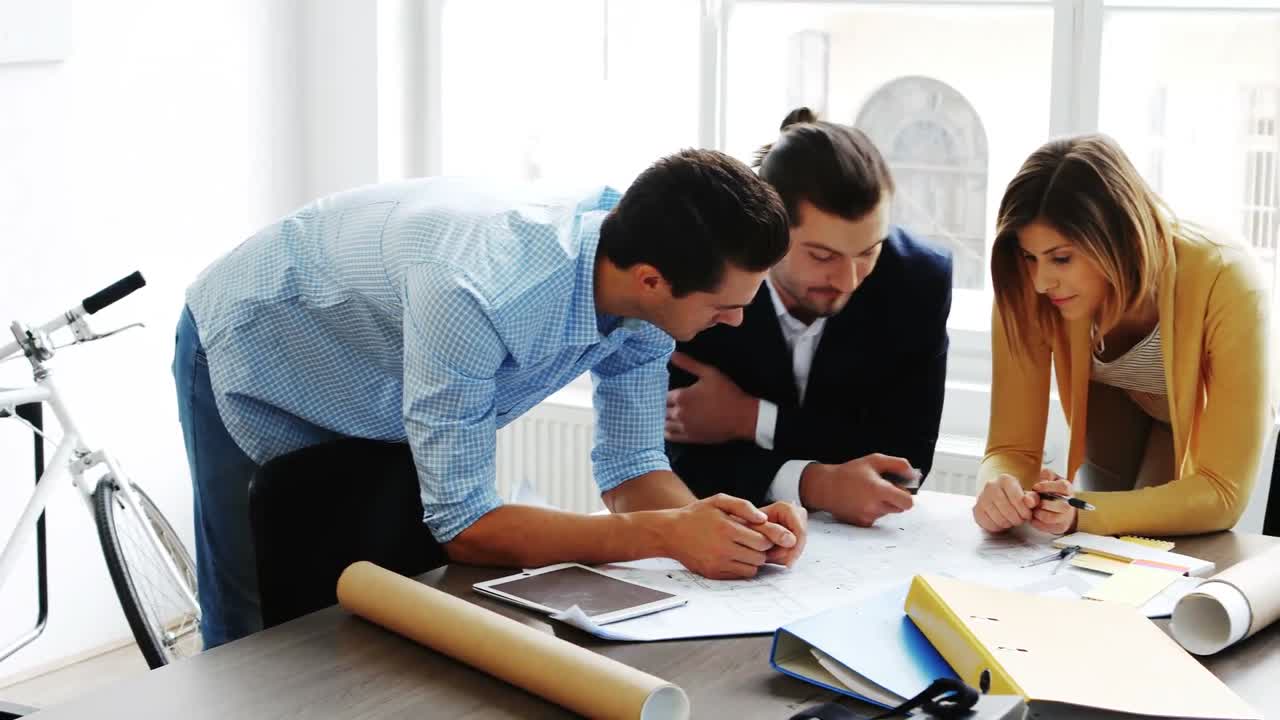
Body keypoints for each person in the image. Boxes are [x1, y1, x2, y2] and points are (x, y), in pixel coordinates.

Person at [173, 149, 809, 648]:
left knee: (379, 609)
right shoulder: (476, 292)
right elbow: (467, 527)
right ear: (651, 280)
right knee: (254, 621)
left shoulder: (646, 281)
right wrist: (669, 536)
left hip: (378, 366)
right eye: (724, 306)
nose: (734, 322)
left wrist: (725, 533)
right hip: (257, 338)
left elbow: (632, 469)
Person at [664, 108, 953, 528]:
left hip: (864, 545)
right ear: (772, 230)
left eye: (869, 251)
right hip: (729, 528)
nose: (849, 279)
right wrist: (818, 482)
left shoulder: (917, 281)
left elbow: (903, 463)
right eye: (823, 256)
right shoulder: (707, 271)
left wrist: (752, 419)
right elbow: (679, 459)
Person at [974, 133, 1273, 537]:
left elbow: (1221, 495)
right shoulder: (1026, 283)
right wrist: (998, 489)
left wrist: (1083, 512)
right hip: (1117, 403)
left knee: (1156, 544)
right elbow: (1010, 450)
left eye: (1062, 258)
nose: (1042, 281)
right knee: (1104, 554)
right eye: (1030, 256)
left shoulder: (1227, 277)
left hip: (1200, 429)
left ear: (1120, 238)